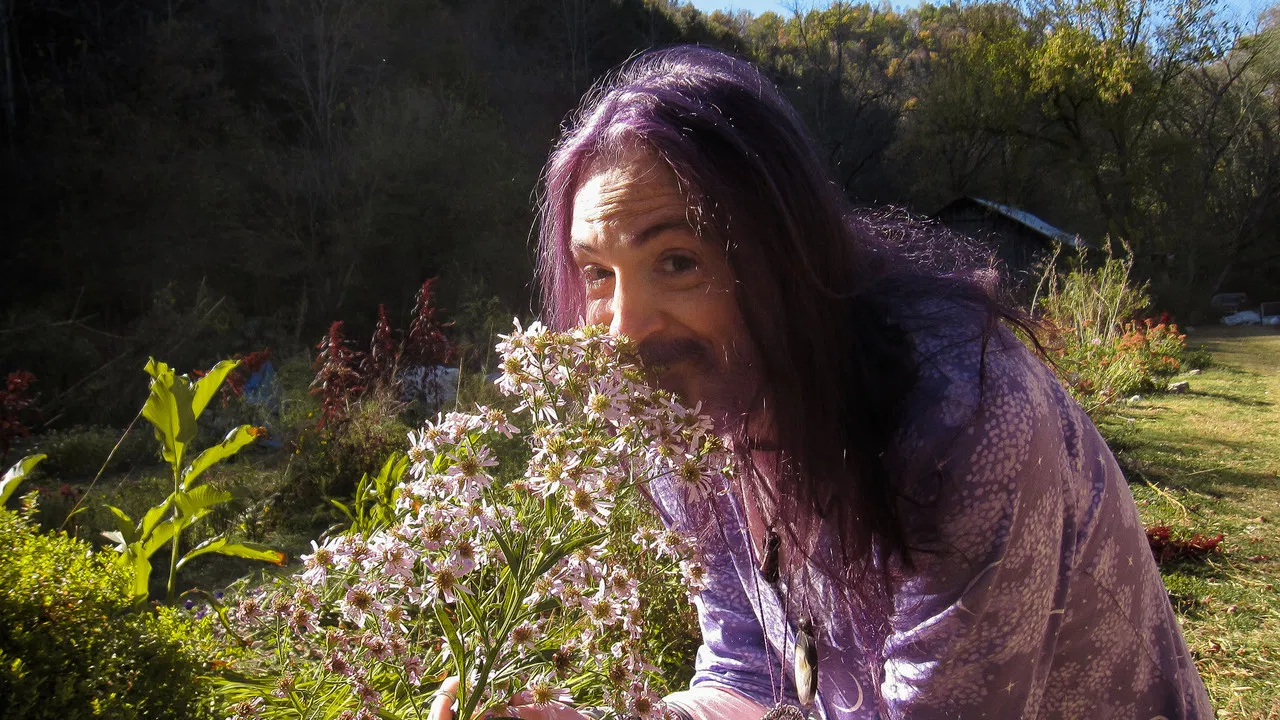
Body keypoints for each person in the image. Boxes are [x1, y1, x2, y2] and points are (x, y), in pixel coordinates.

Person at [434, 45, 1213, 719]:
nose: (623, 330)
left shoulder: (964, 418)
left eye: (677, 261)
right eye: (598, 274)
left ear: (780, 254)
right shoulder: (698, 415)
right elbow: (745, 673)